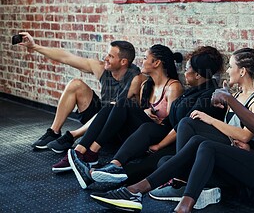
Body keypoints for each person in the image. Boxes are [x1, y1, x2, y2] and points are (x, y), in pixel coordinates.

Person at [89, 49, 254, 213]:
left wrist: (229, 100)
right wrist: (248, 151)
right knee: (196, 142)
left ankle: (181, 207)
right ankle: (135, 191)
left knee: (206, 146)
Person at [68, 46, 227, 189]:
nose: (184, 72)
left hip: (180, 143)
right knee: (119, 105)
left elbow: (183, 125)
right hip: (166, 132)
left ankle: (105, 176)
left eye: (187, 69)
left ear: (198, 74)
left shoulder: (207, 96)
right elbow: (173, 118)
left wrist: (160, 144)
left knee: (153, 159)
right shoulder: (192, 90)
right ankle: (102, 161)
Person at [148, 48, 254, 203]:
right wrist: (224, 99)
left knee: (186, 125)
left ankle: (182, 182)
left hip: (237, 155)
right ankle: (191, 183)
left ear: (242, 71)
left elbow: (245, 136)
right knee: (164, 161)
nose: (227, 70)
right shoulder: (236, 95)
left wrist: (210, 119)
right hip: (224, 146)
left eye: (231, 67)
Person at [55, 44, 184, 183]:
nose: (142, 61)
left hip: (160, 135)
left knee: (124, 105)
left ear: (156, 63)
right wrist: (145, 111)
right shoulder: (146, 85)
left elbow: (175, 125)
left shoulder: (173, 87)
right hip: (142, 132)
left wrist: (159, 146)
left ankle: (93, 154)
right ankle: (81, 152)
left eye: (146, 58)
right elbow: (140, 114)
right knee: (113, 106)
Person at [18, 32, 145, 153]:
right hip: (100, 116)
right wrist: (34, 46)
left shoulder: (135, 78)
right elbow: (65, 57)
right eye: (107, 54)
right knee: (76, 84)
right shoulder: (102, 68)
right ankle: (54, 132)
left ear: (123, 62)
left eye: (111, 56)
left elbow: (121, 110)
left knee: (111, 107)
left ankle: (73, 136)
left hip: (116, 127)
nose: (105, 58)